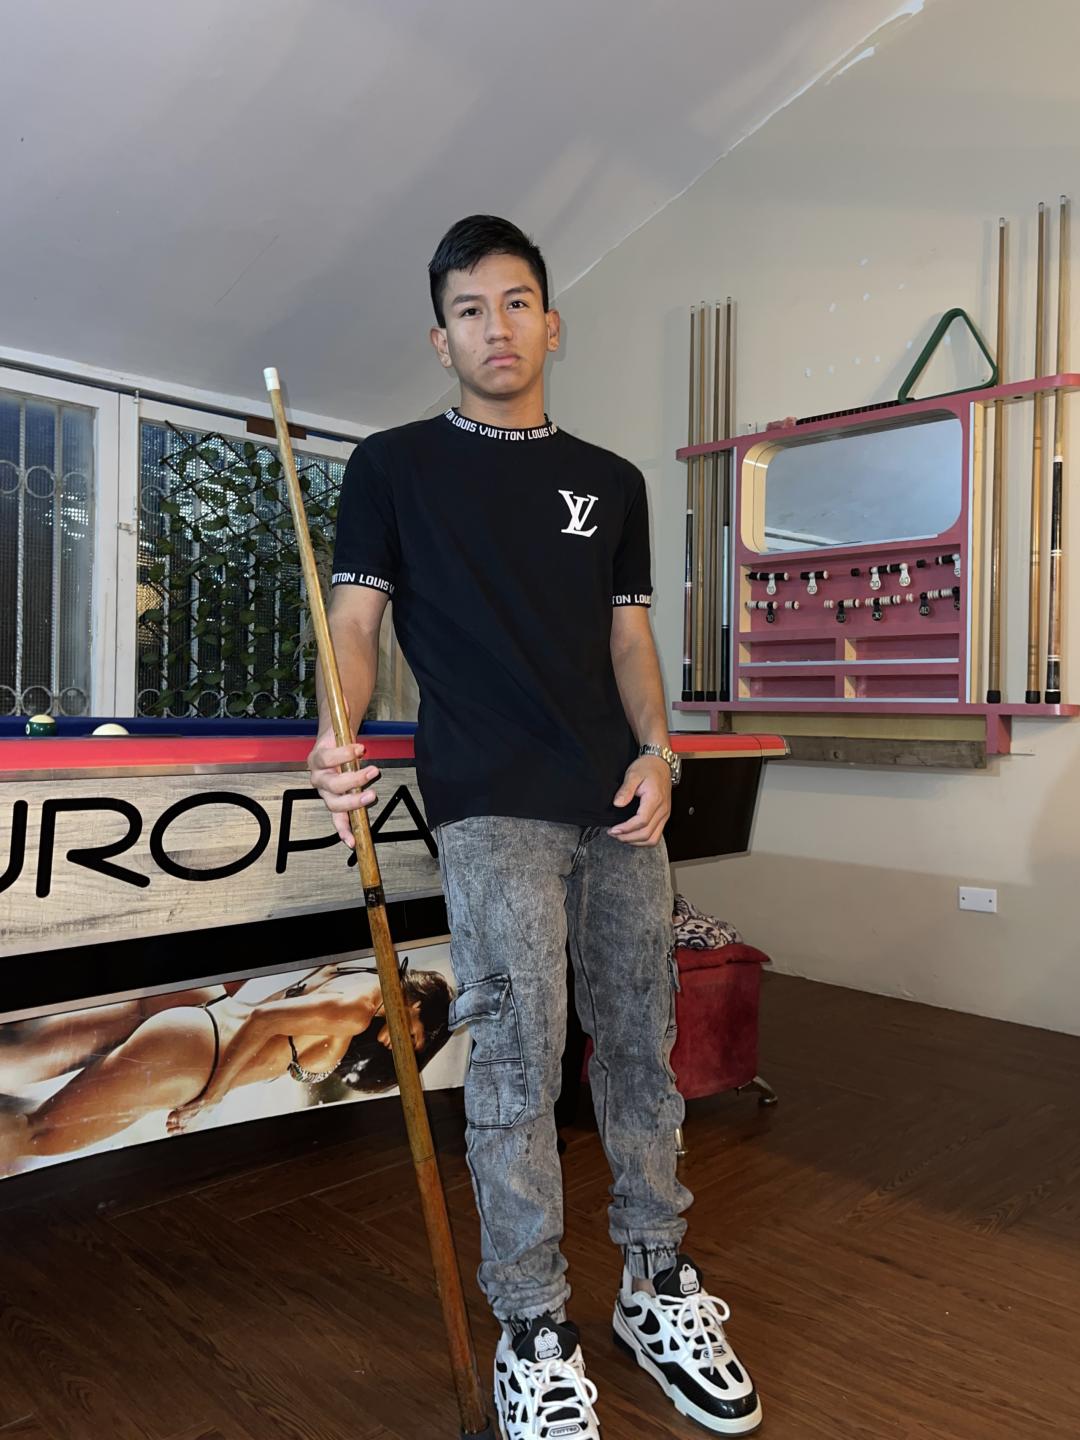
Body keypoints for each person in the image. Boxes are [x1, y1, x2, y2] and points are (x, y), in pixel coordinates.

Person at [307, 216, 762, 1438]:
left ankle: (655, 1285)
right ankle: (535, 1329)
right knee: (515, 1061)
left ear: (551, 323)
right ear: (441, 338)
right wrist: (335, 730)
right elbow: (354, 624)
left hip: (617, 803)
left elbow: (628, 638)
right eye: (469, 309)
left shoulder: (612, 481)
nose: (495, 327)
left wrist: (661, 752)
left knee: (641, 1042)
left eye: (516, 303)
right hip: (490, 801)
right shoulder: (392, 467)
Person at [0, 964, 452, 1172]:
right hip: (196, 1052)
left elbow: (259, 1004)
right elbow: (262, 1021)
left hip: (203, 1019)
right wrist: (211, 1096)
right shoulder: (356, 1011)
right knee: (36, 1133)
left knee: (20, 1058)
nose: (400, 1047)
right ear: (416, 1005)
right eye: (414, 1038)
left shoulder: (357, 975)